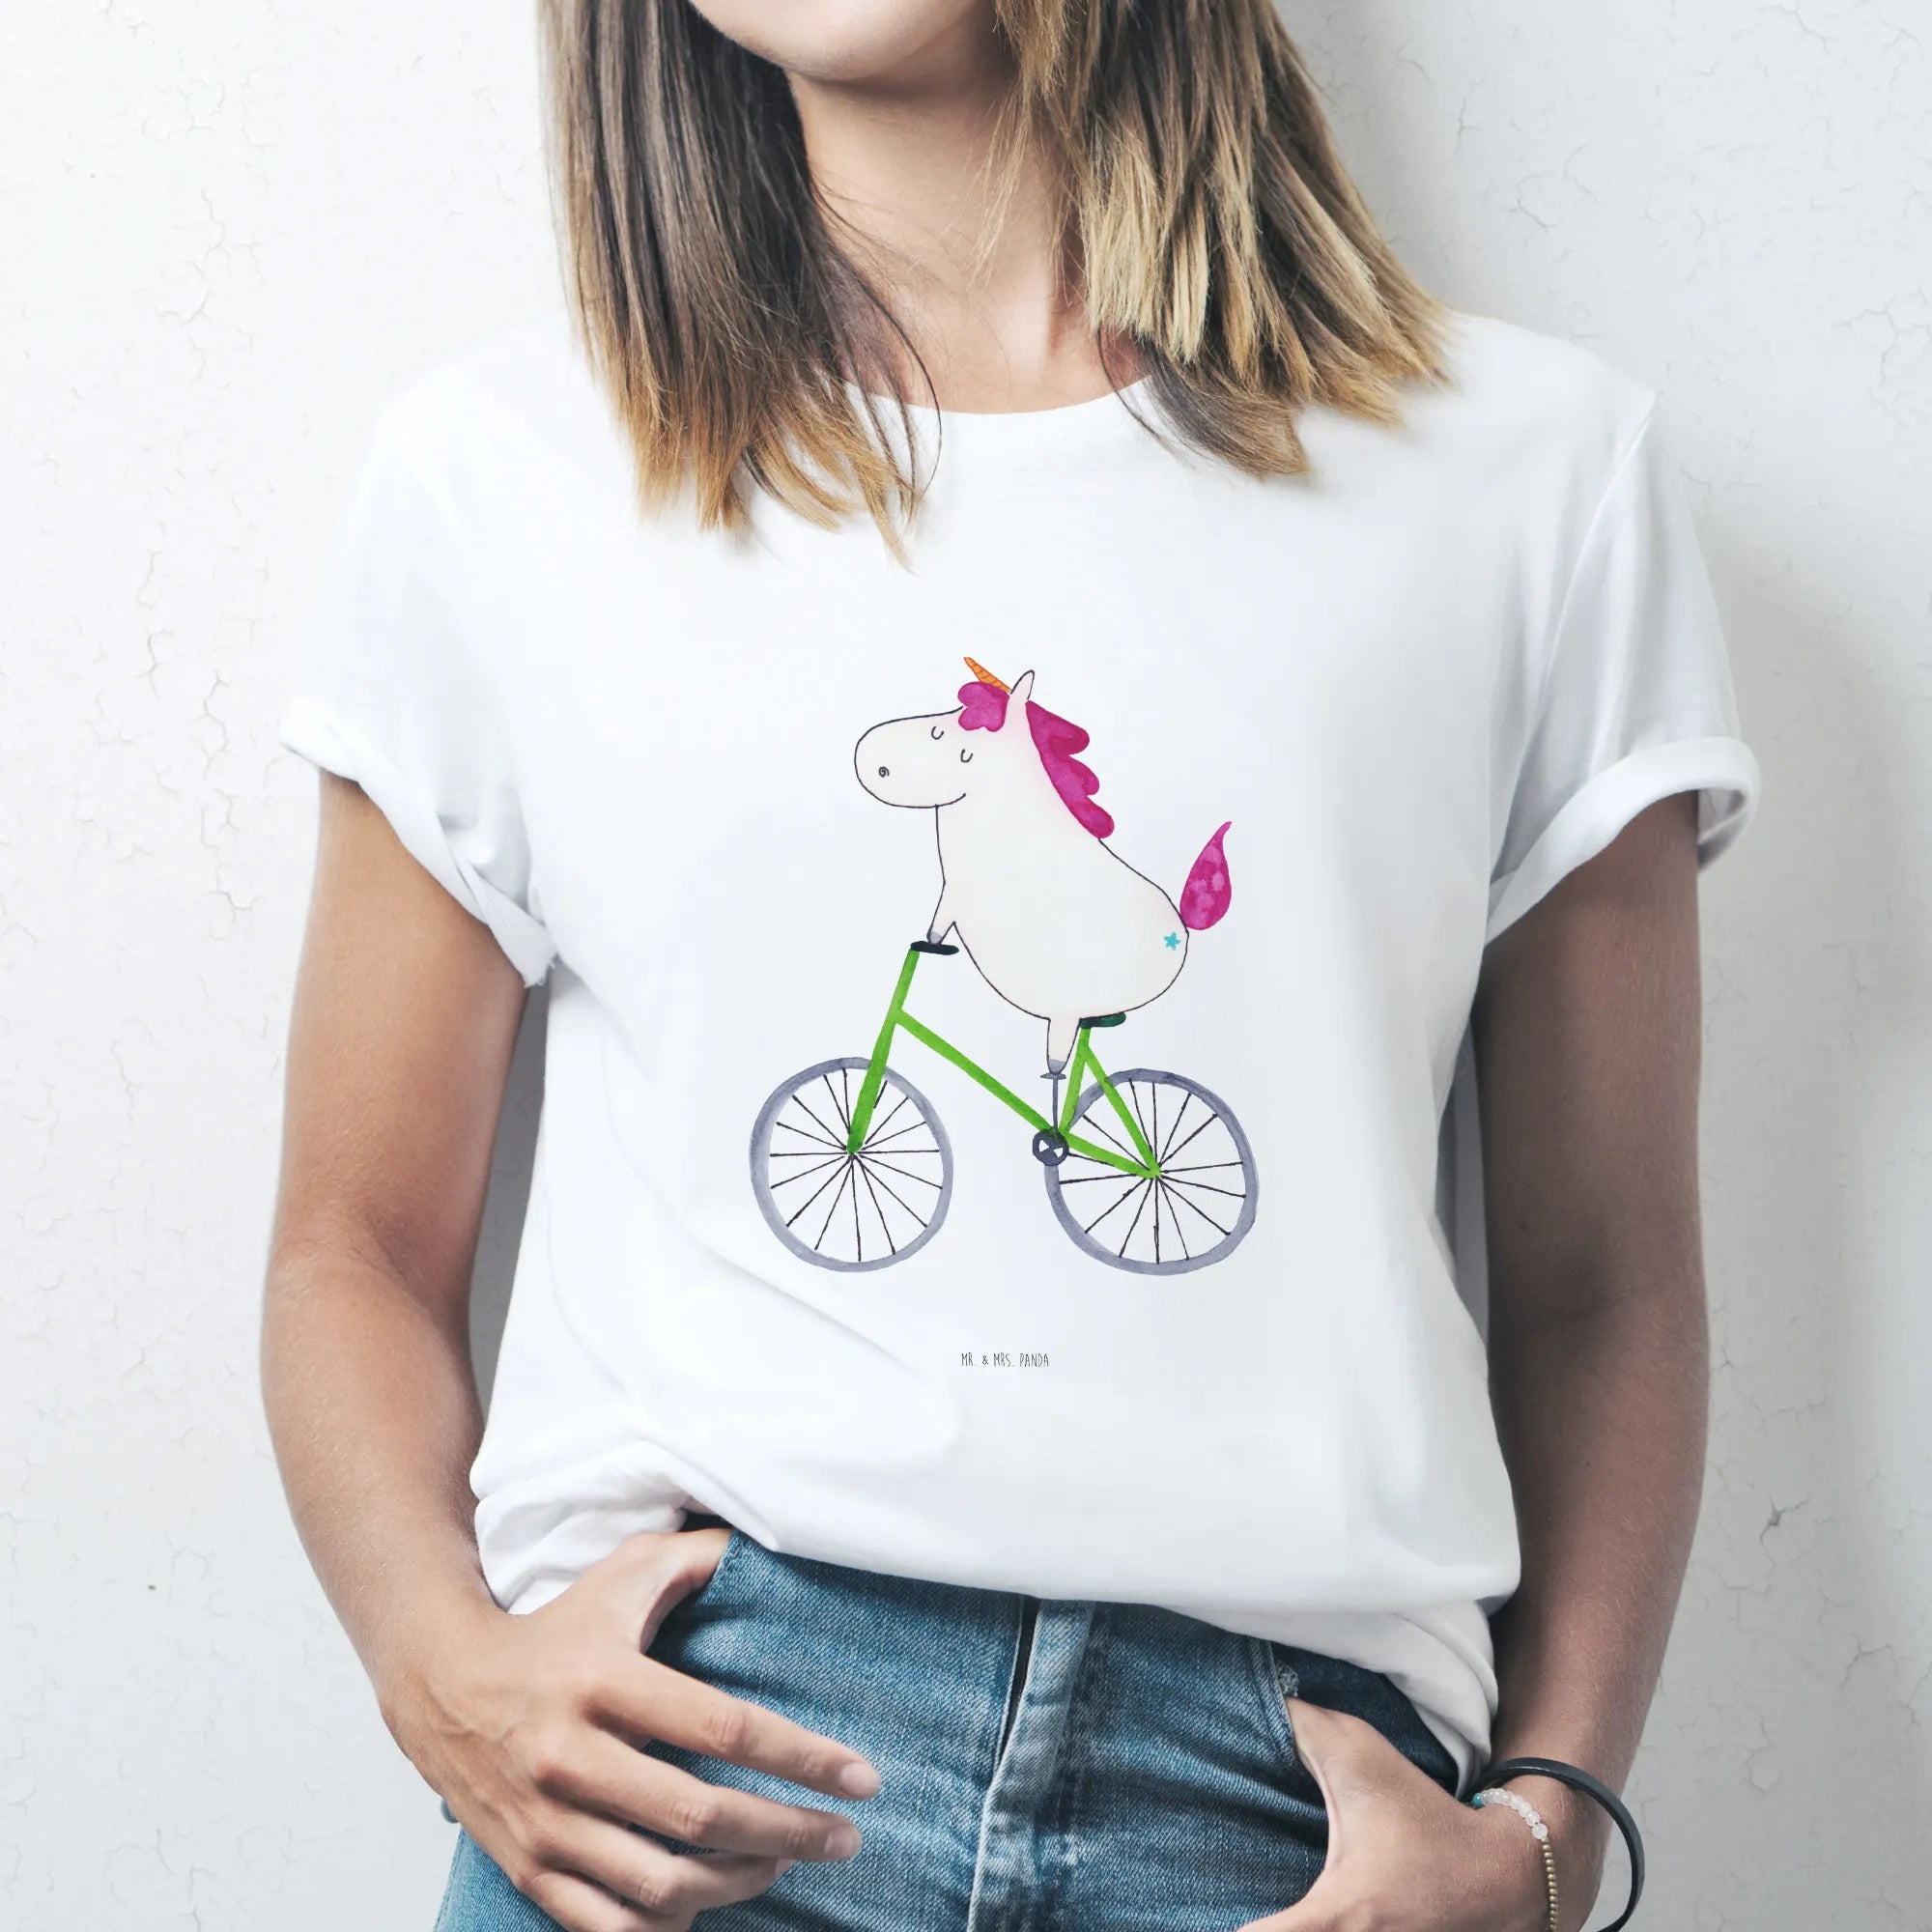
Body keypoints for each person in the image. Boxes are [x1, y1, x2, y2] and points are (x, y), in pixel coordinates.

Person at [263, 2, 1760, 1928]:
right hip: (695, 1755)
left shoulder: (1533, 478)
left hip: (1284, 1813)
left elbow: (1604, 1282)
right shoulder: (502, 477)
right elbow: (354, 1244)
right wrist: (443, 1674)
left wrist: (1544, 1838)